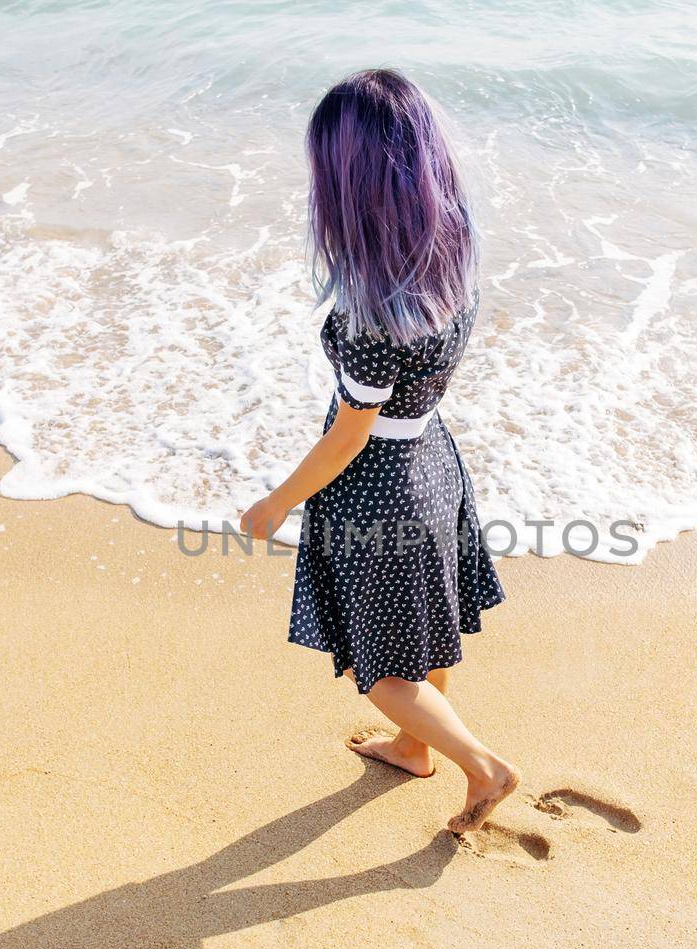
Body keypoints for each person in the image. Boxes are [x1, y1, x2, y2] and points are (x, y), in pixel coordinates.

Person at [239, 69, 519, 833]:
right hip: (434, 462)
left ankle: (482, 765)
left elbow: (348, 435)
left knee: (382, 669)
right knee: (426, 627)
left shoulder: (371, 313)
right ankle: (414, 746)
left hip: (380, 486)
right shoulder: (453, 256)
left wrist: (277, 501)